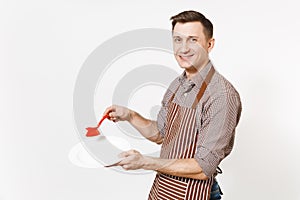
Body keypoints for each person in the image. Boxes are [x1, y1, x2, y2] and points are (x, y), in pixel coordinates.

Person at [104, 10, 242, 200]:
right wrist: (130, 116)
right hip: (165, 189)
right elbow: (162, 134)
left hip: (197, 193)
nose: (183, 48)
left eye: (193, 40)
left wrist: (145, 162)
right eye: (178, 40)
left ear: (209, 44)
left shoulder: (221, 95)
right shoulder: (178, 85)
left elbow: (204, 168)